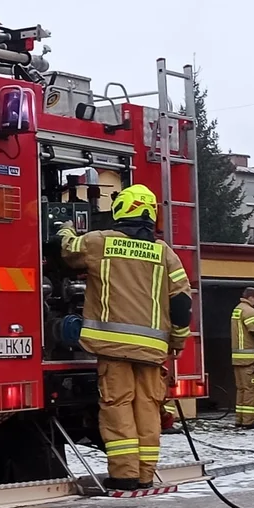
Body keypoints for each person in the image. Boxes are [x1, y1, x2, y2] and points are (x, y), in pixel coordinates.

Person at [58, 184, 192, 491]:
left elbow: (68, 249)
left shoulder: (101, 242)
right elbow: (183, 304)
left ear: (121, 211)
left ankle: (124, 474)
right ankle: (145, 475)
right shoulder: (165, 254)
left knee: (118, 406)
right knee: (147, 408)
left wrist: (64, 227)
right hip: (152, 351)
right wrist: (178, 342)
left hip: (114, 348)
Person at [231, 287, 254, 430]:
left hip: (238, 359)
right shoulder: (250, 311)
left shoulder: (237, 309)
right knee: (252, 389)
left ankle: (240, 419)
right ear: (250, 297)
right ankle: (249, 421)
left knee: (242, 390)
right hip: (249, 359)